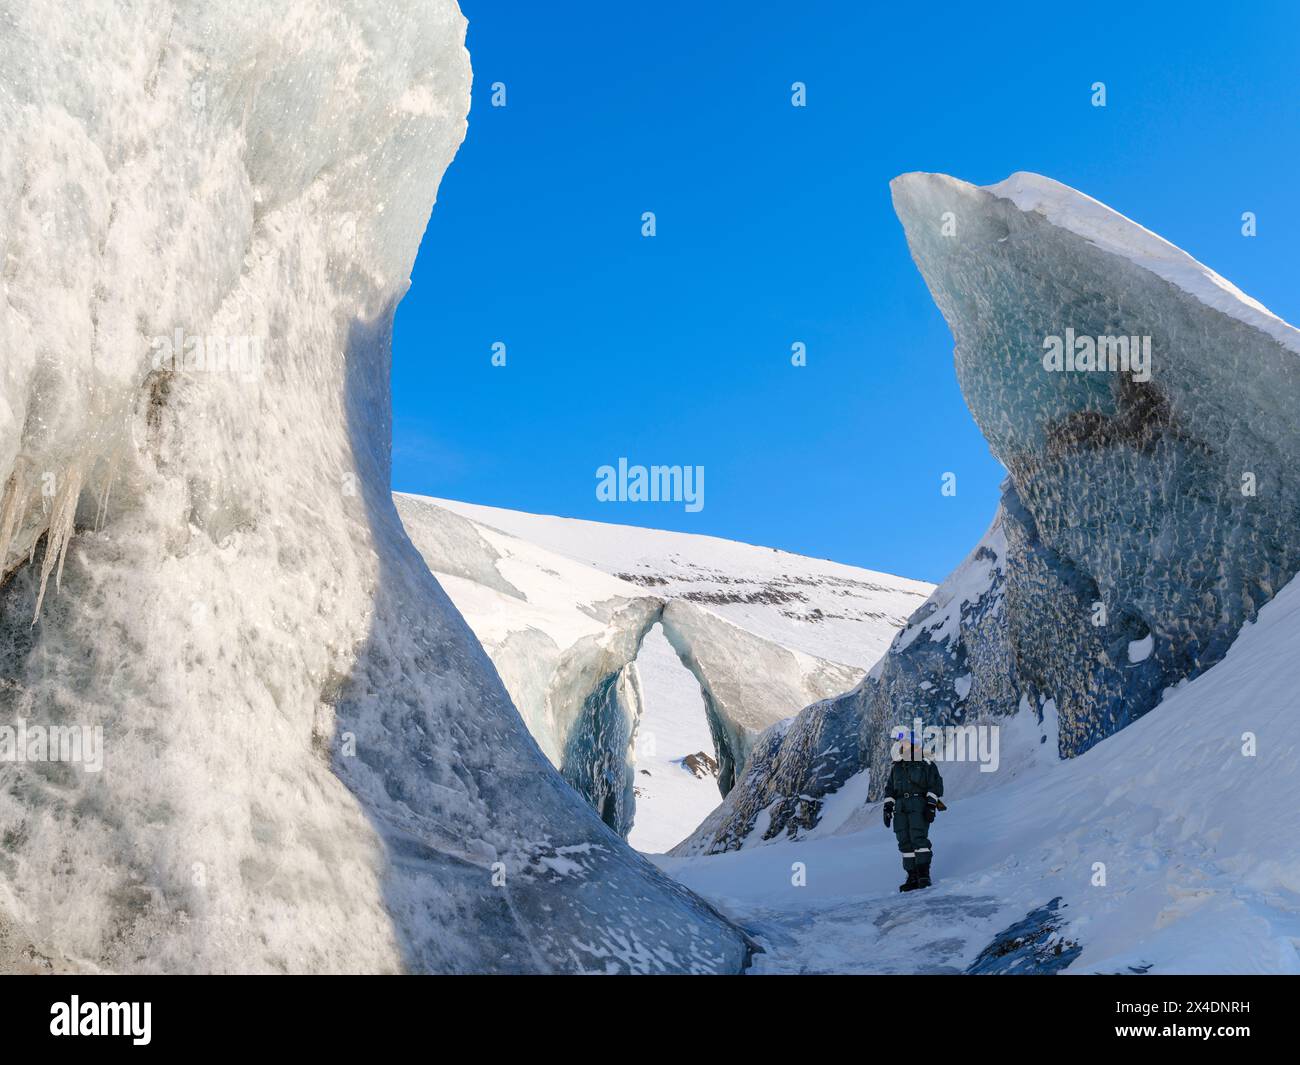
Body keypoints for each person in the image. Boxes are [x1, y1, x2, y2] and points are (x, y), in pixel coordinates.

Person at [882, 728, 943, 892]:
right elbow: (890, 790)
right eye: (901, 743)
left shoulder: (927, 765)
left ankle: (924, 875)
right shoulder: (897, 767)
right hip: (901, 808)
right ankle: (912, 876)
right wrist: (888, 806)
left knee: (918, 839)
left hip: (918, 805)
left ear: (916, 744)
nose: (903, 745)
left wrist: (931, 805)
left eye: (906, 742)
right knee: (904, 841)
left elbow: (935, 786)